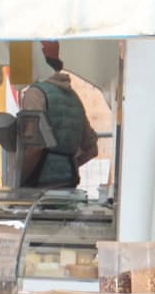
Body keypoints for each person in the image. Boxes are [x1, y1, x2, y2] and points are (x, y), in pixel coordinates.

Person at [18, 40, 98, 190]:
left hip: (39, 188)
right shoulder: (74, 97)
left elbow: (34, 147)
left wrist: (20, 179)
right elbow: (92, 147)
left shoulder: (35, 94)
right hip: (69, 185)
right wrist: (67, 165)